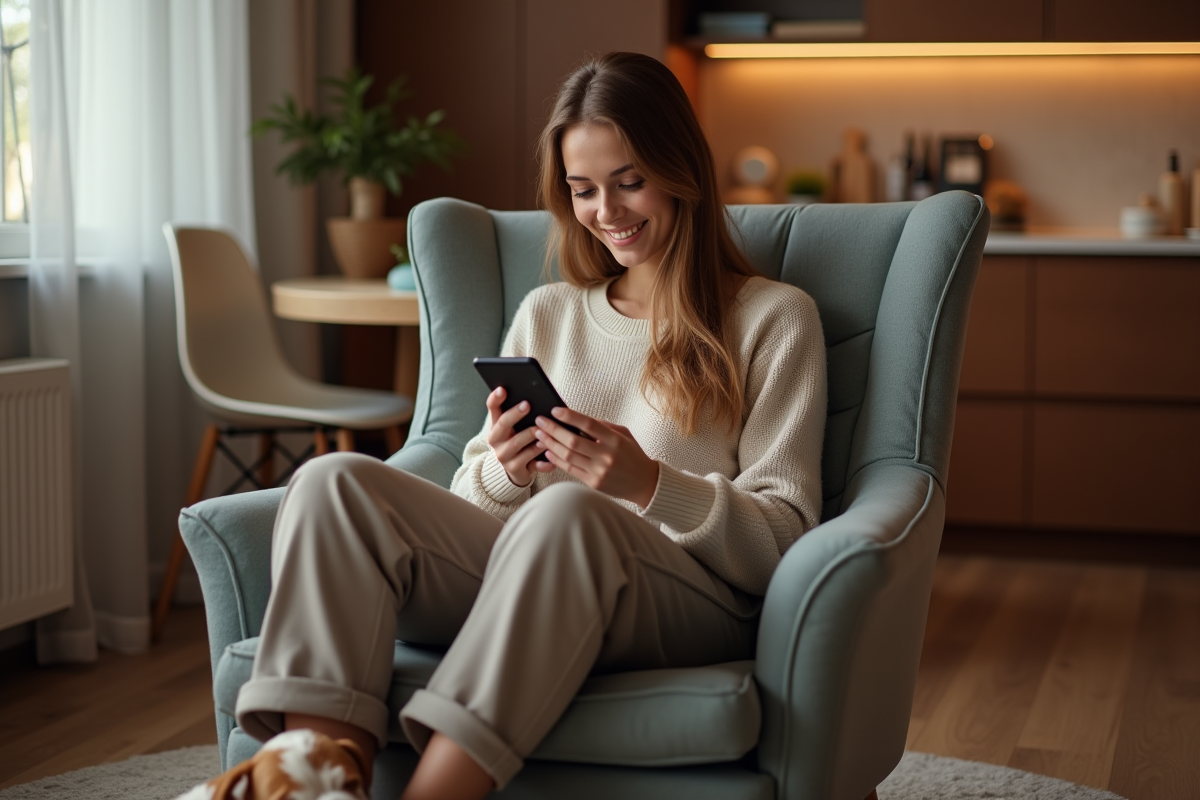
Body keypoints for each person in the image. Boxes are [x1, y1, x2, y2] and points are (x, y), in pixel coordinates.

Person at [193, 51, 826, 800]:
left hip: (692, 603)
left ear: (681, 168)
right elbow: (468, 516)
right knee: (333, 483)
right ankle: (308, 784)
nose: (607, 213)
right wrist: (504, 469)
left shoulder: (773, 319)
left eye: (630, 182)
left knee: (569, 510)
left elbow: (787, 537)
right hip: (544, 579)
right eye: (583, 189)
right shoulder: (547, 312)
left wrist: (650, 484)